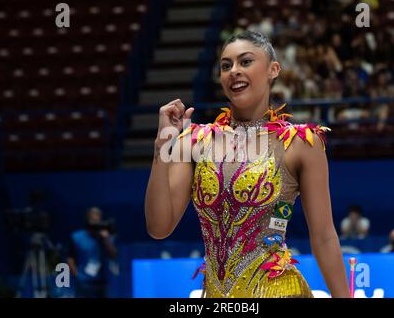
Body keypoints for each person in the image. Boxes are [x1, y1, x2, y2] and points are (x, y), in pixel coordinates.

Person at [145, 31, 349, 298]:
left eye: (245, 62)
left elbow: (324, 236)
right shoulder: (195, 141)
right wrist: (161, 149)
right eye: (226, 66)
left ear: (273, 70)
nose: (234, 72)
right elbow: (158, 228)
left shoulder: (301, 143)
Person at [67, 207, 117, 298]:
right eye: (93, 220)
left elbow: (113, 254)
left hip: (101, 283)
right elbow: (70, 258)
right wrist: (77, 275)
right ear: (87, 220)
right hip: (83, 283)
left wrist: (105, 239)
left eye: (98, 219)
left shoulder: (106, 237)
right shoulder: (76, 237)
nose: (95, 222)